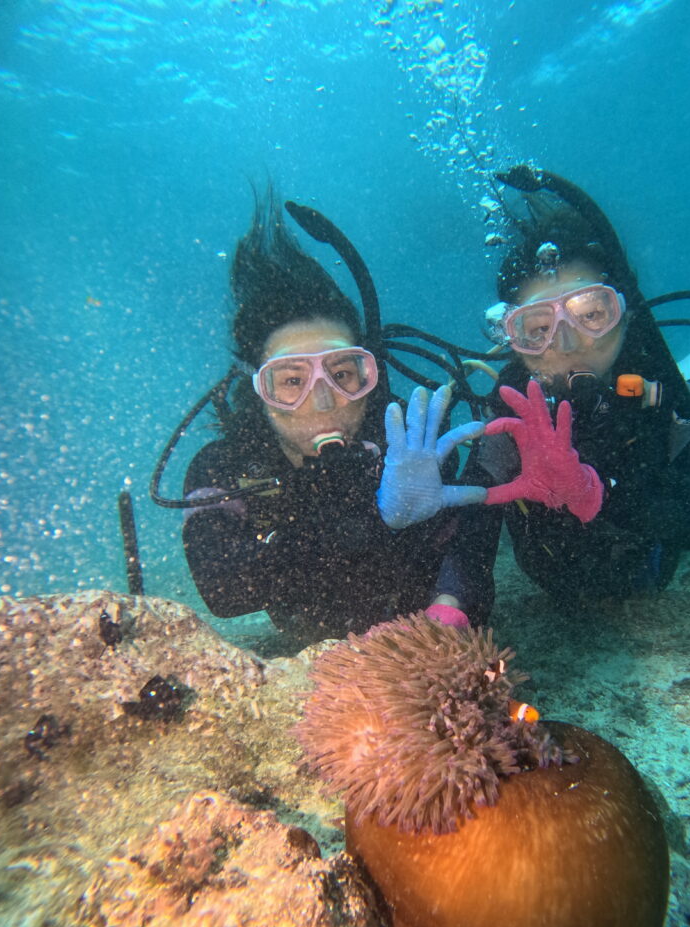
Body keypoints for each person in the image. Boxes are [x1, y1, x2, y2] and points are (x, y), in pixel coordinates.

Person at [181, 191, 482, 645]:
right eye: (290, 381)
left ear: (370, 375)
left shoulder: (408, 443)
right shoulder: (222, 468)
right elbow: (223, 591)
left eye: (342, 374)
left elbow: (467, 547)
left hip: (418, 639)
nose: (324, 403)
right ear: (258, 392)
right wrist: (369, 521)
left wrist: (451, 603)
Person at [426, 168, 690, 625]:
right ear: (513, 338)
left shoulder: (657, 389)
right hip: (554, 582)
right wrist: (450, 605)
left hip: (649, 574)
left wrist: (597, 495)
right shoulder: (511, 406)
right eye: (538, 329)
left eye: (591, 314)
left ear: (624, 315)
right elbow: (475, 532)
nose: (566, 345)